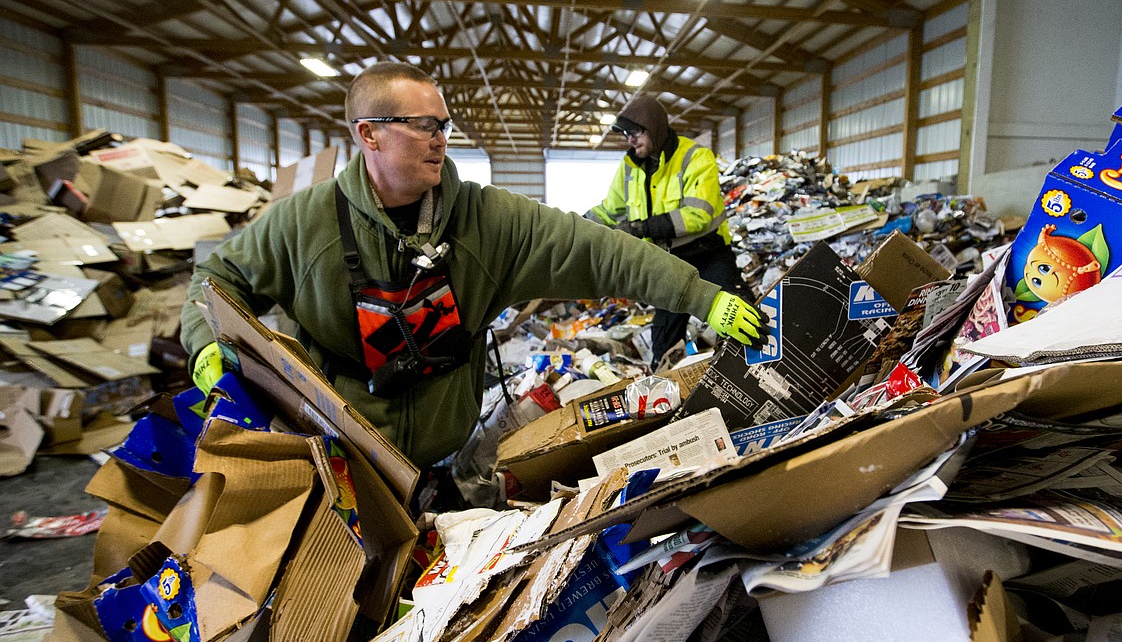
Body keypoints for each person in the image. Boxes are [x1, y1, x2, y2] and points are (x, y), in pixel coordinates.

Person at [180, 62, 764, 478]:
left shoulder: (487, 221)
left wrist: (701, 296)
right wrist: (208, 348)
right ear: (369, 134)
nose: (440, 140)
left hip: (445, 454)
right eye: (423, 125)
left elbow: (599, 249)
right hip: (344, 459)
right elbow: (216, 283)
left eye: (444, 125)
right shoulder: (302, 224)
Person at [586, 95, 754, 369]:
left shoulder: (695, 157)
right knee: (663, 340)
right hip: (668, 262)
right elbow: (609, 209)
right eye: (626, 134)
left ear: (655, 128)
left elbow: (697, 216)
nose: (630, 140)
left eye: (635, 132)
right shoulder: (630, 167)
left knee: (738, 314)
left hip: (708, 255)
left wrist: (641, 228)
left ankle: (756, 371)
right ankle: (668, 392)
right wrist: (579, 226)